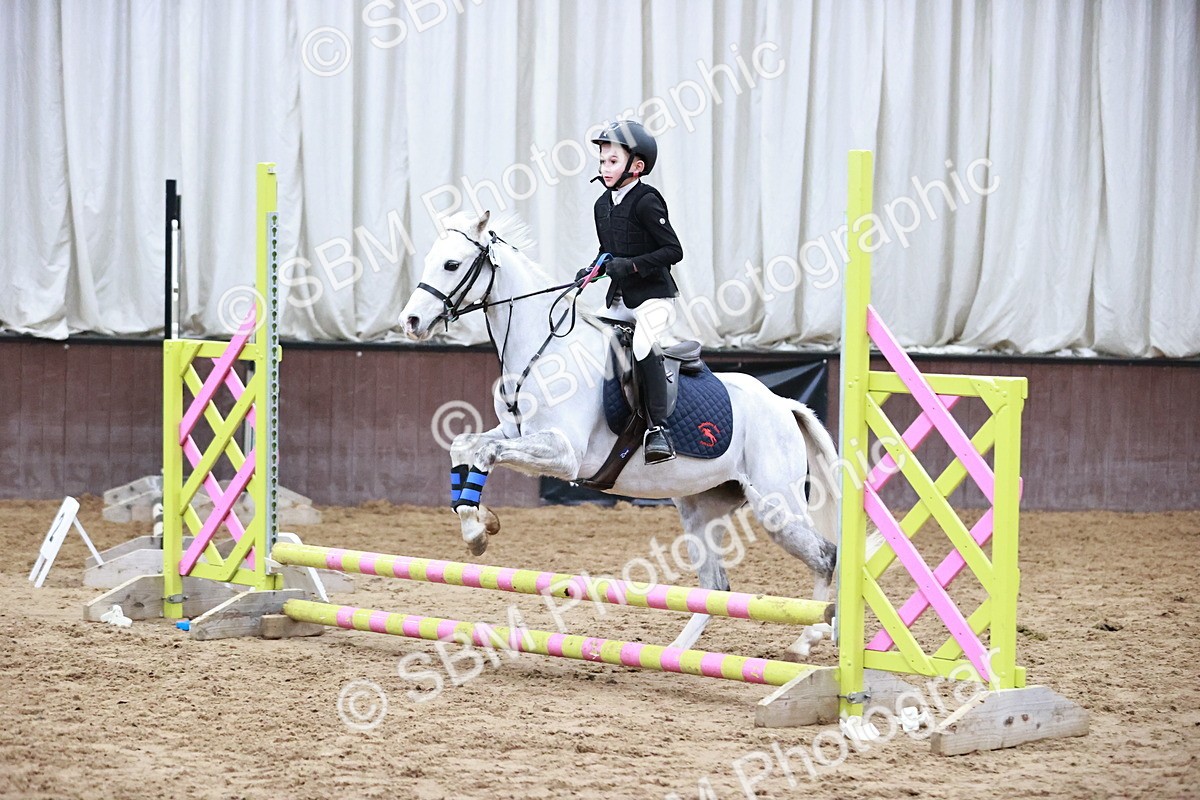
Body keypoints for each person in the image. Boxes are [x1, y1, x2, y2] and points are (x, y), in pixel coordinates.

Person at [575, 120, 683, 464]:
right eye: (603, 161)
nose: (605, 168)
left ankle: (659, 430)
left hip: (655, 300)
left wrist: (632, 266)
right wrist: (591, 272)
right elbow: (607, 252)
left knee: (641, 344)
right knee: (586, 340)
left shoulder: (647, 201)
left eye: (613, 161)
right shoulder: (601, 206)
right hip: (620, 302)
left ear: (636, 167)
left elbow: (673, 251)